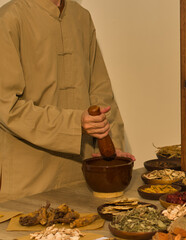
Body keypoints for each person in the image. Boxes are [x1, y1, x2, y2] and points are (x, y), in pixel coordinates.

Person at [0, 0, 134, 202]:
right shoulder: (10, 18)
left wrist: (111, 148)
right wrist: (75, 123)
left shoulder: (81, 16)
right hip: (30, 178)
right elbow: (6, 107)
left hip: (83, 171)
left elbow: (101, 92)